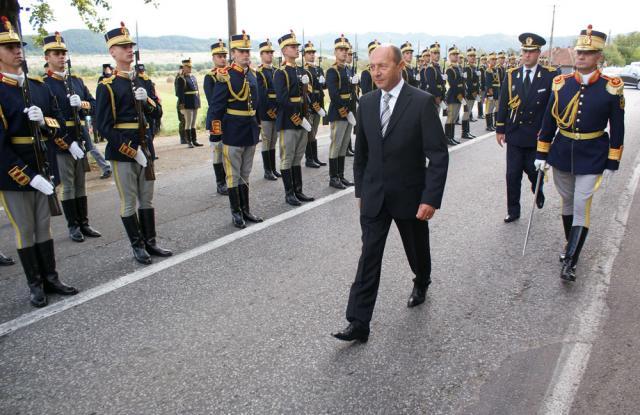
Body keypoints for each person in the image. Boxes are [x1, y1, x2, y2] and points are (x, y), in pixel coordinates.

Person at [332, 44, 449, 342]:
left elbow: (437, 155)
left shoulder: (421, 103)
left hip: (410, 197)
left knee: (416, 248)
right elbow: (362, 154)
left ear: (400, 67)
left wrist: (430, 198)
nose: (377, 72)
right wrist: (360, 190)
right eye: (372, 66)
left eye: (383, 66)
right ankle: (358, 322)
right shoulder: (367, 103)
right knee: (368, 257)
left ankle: (422, 279)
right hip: (374, 196)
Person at [0, 16, 79, 307]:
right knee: (25, 229)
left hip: (43, 165)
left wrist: (43, 122)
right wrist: (27, 175)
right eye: (9, 47)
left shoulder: (37, 87)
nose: (17, 51)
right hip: (15, 172)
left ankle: (51, 278)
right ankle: (35, 285)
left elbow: (57, 125)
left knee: (44, 227)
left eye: (18, 45)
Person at [536, 25, 624, 282]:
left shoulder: (612, 87)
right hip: (562, 152)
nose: (582, 56)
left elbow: (617, 127)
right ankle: (569, 244)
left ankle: (571, 262)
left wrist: (613, 160)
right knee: (567, 201)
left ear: (599, 57)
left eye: (589, 52)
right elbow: (548, 122)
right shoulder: (560, 84)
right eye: (580, 51)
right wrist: (542, 152)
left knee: (581, 203)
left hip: (593, 153)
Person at [95, 21, 172, 264]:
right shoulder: (107, 86)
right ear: (112, 52)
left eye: (130, 45)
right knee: (129, 201)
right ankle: (137, 246)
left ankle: (151, 242)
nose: (129, 50)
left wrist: (148, 101)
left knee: (147, 198)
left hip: (145, 145)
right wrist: (131, 150)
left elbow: (157, 113)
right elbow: (103, 126)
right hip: (123, 151)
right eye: (123, 46)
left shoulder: (143, 81)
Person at [42, 31, 102, 242]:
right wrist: (65, 143)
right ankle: (73, 225)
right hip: (60, 140)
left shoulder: (75, 81)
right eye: (56, 53)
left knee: (80, 184)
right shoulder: (44, 85)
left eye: (63, 53)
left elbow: (94, 105)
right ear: (46, 57)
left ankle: (84, 222)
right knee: (67, 185)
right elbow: (46, 120)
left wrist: (82, 104)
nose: (61, 57)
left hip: (79, 136)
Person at [496, 33, 557, 223]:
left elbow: (552, 107)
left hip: (536, 135)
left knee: (533, 170)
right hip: (515, 133)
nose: (527, 55)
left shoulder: (549, 75)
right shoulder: (512, 75)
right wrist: (500, 128)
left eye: (531, 52)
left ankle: (538, 190)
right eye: (524, 51)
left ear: (539, 53)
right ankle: (513, 210)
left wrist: (549, 132)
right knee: (512, 174)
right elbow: (503, 102)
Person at [209, 31, 264, 229]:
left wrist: (258, 126)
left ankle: (246, 210)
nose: (246, 54)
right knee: (233, 174)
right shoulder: (225, 76)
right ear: (233, 53)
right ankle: (236, 213)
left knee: (246, 172)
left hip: (250, 130)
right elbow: (216, 107)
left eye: (247, 50)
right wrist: (216, 133)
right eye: (241, 51)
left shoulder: (252, 74)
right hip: (232, 131)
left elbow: (256, 104)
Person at [273, 31, 315, 206]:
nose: (296, 49)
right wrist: (298, 118)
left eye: (297, 47)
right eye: (292, 47)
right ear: (284, 50)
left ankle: (299, 190)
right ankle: (289, 193)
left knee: (298, 156)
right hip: (289, 120)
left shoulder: (300, 70)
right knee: (287, 157)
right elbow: (282, 99)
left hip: (302, 117)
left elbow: (305, 96)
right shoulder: (280, 73)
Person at [325, 35, 357, 189]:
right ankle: (333, 177)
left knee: (344, 145)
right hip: (339, 112)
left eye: (346, 50)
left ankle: (341, 175)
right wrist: (344, 110)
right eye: (341, 50)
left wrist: (352, 109)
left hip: (349, 110)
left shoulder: (348, 70)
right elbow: (333, 94)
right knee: (336, 145)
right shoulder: (332, 71)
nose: (344, 53)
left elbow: (351, 91)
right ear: (335, 52)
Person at [203, 39, 229, 195]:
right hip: (217, 119)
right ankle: (221, 183)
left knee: (230, 150)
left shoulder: (230, 74)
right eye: (219, 56)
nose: (223, 58)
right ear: (213, 58)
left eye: (224, 55)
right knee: (218, 151)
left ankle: (230, 179)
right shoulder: (210, 77)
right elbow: (213, 101)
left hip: (230, 118)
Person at [256, 39, 280, 180]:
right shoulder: (259, 72)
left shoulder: (276, 71)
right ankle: (267, 170)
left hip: (276, 110)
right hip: (266, 112)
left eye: (271, 52)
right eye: (267, 53)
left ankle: (273, 168)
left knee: (273, 141)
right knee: (266, 140)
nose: (270, 55)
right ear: (261, 55)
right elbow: (261, 95)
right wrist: (270, 110)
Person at [303, 40, 327, 168]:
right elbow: (307, 91)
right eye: (309, 53)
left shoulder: (319, 69)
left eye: (313, 53)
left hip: (319, 101)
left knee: (315, 131)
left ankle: (315, 157)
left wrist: (324, 82)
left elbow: (323, 88)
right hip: (311, 104)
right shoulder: (305, 70)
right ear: (304, 55)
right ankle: (309, 158)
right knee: (310, 133)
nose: (312, 55)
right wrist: (314, 107)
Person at [175, 58, 203, 148]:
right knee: (188, 122)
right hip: (187, 103)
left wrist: (198, 102)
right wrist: (182, 105)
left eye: (190, 67)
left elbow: (196, 90)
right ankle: (189, 141)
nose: (190, 68)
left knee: (193, 122)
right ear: (184, 67)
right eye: (188, 67)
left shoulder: (193, 77)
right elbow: (180, 93)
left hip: (194, 101)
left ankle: (194, 140)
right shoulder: (181, 79)